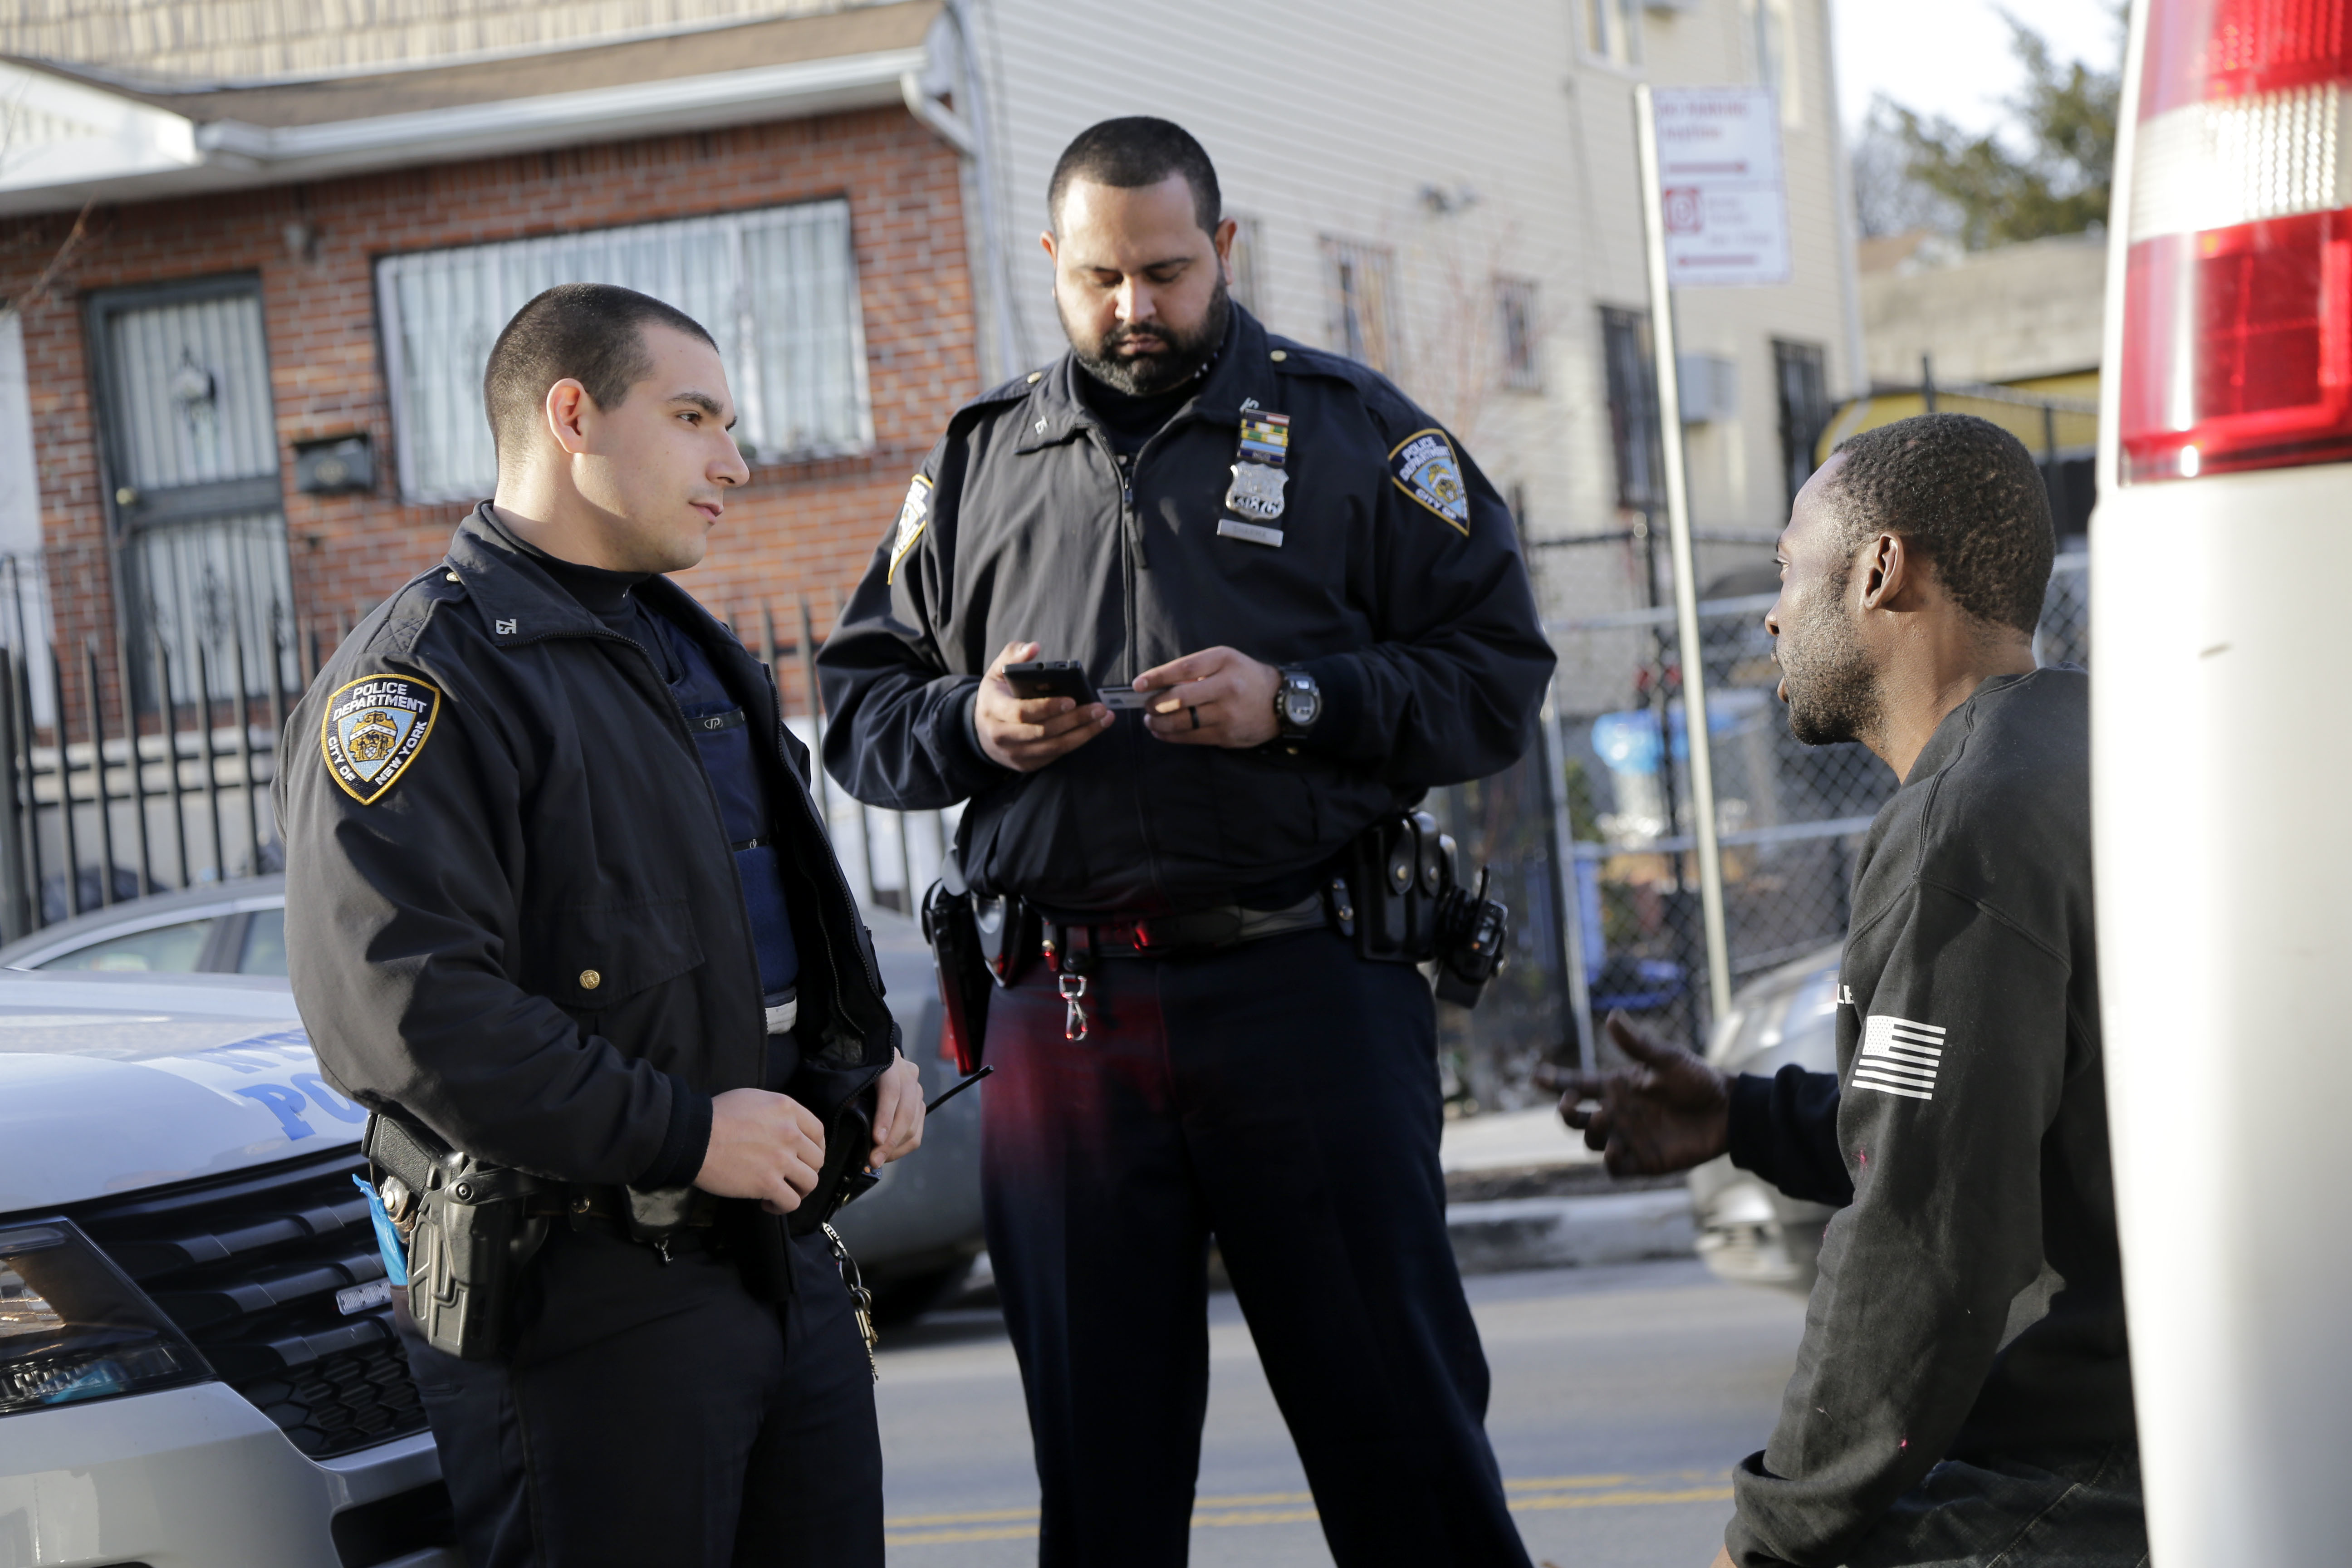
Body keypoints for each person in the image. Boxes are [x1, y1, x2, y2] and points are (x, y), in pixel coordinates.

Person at [817, 118, 1553, 1566]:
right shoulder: (977, 466)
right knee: (1103, 1474)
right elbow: (860, 708)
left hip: (1311, 993)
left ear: (1224, 249)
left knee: (1402, 1441)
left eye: (1165, 271)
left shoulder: (1362, 435)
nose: (1134, 310)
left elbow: (1498, 680)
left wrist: (1301, 699)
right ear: (1052, 264)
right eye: (1100, 278)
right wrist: (980, 725)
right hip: (1066, 1018)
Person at [280, 282, 926, 1568]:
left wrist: (864, 1062)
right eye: (693, 416)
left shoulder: (685, 649)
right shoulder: (422, 675)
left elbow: (766, 911)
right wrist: (687, 1132)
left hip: (775, 1265)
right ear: (572, 414)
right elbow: (409, 1009)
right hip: (584, 1299)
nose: (734, 462)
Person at [1562, 413, 2141, 1568]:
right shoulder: (2079, 744)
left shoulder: (1965, 831)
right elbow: (1984, 1123)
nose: (1772, 614)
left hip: (2087, 1467)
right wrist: (1745, 1116)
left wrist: (1773, 1536)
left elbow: (1924, 1240)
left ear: (1879, 570)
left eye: (1787, 569)